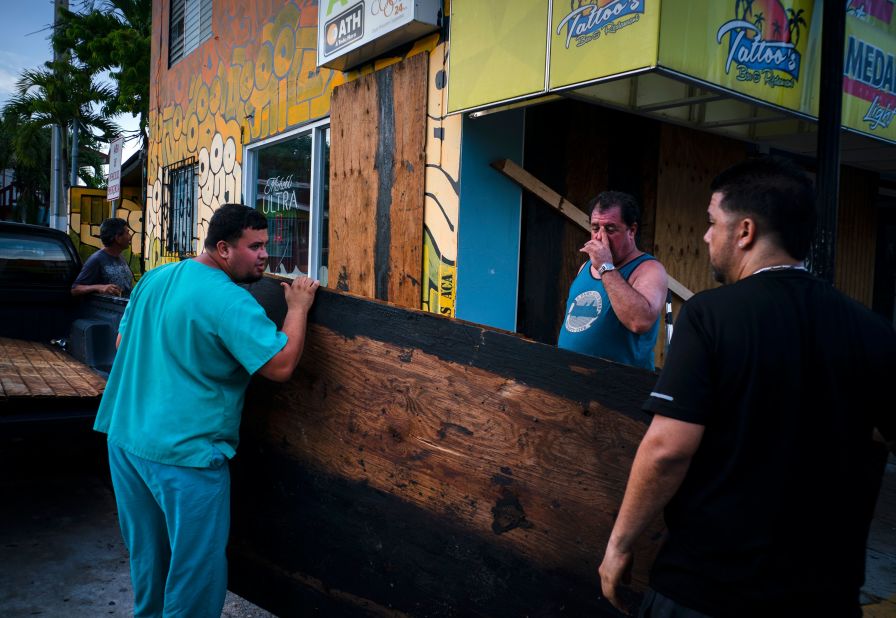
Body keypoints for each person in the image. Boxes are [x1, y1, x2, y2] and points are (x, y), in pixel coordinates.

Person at [598, 157, 896, 617]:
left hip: (707, 591)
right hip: (825, 595)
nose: (705, 235)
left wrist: (619, 544)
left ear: (745, 232)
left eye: (712, 222)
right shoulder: (872, 330)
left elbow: (667, 449)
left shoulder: (710, 316)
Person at [94, 203, 320, 617]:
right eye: (254, 247)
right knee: (196, 573)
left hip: (126, 440)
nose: (265, 255)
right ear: (223, 248)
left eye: (266, 245)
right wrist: (298, 309)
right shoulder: (229, 300)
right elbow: (281, 365)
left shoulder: (156, 277)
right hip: (185, 456)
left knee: (150, 563)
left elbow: (122, 345)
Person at [557, 191, 668, 370]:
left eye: (610, 229)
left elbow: (639, 321)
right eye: (595, 228)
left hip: (620, 387)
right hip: (570, 376)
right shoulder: (585, 267)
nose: (600, 237)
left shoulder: (649, 269)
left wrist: (606, 267)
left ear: (632, 230)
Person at [71, 217, 135, 297]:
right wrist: (99, 287)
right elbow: (75, 289)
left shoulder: (120, 257)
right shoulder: (96, 259)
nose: (130, 237)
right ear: (118, 238)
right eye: (127, 233)